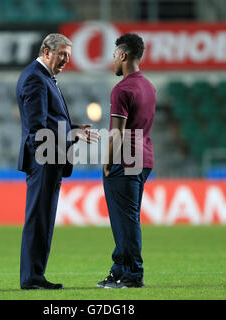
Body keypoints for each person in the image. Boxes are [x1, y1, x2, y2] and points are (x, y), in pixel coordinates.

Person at [16, 33, 98, 290]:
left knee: (43, 218)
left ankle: (35, 275)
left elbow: (49, 122)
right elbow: (37, 128)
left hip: (50, 157)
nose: (65, 60)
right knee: (38, 219)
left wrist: (73, 130)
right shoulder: (35, 78)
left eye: (68, 56)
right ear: (46, 51)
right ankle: (31, 278)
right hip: (44, 158)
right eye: (62, 54)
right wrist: (68, 137)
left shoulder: (43, 77)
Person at [99, 33, 156, 288]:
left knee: (126, 220)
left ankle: (133, 274)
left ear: (122, 55)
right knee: (127, 218)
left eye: (113, 56)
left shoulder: (122, 89)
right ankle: (119, 270)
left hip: (125, 159)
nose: (113, 61)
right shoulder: (149, 87)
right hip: (144, 157)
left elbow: (117, 133)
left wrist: (107, 161)